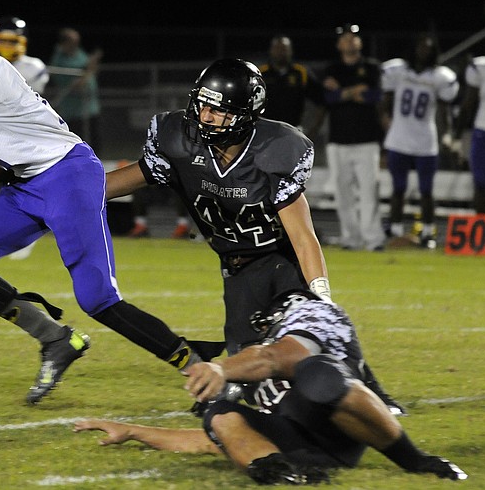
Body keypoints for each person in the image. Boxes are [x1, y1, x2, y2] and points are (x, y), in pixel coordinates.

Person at [0, 0, 204, 405]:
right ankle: (55, 338)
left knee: (97, 299)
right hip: (26, 183)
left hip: (65, 175)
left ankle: (196, 364)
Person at [105, 58, 403, 412]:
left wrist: (321, 296)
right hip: (238, 271)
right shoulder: (180, 141)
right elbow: (119, 182)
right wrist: (66, 193)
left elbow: (303, 235)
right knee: (252, 379)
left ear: (245, 114)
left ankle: (371, 395)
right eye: (202, 105)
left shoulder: (275, 148)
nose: (205, 116)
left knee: (311, 343)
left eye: (217, 110)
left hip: (281, 263)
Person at [73, 288, 467, 485]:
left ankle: (415, 460)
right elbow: (216, 440)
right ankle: (281, 473)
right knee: (219, 414)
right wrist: (134, 431)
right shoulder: (255, 362)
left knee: (315, 375)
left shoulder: (315, 314)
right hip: (300, 441)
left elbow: (276, 357)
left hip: (344, 426)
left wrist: (221, 367)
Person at [312, 24, 386, 251]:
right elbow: (328, 98)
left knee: (369, 191)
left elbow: (374, 96)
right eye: (345, 38)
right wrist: (355, 91)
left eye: (353, 37)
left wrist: (342, 91)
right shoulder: (332, 68)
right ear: (338, 44)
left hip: (367, 139)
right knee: (343, 193)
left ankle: (373, 239)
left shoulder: (371, 67)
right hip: (339, 140)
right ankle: (350, 238)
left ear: (360, 42)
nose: (350, 41)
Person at [380, 34, 459, 248]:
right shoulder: (398, 71)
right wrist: (385, 126)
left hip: (425, 140)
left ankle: (427, 231)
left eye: (428, 48)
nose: (424, 52)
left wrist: (447, 135)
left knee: (426, 190)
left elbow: (443, 111)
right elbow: (385, 104)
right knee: (398, 188)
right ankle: (395, 230)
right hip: (399, 138)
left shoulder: (439, 76)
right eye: (421, 47)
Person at [0, 16, 50, 259]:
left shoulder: (32, 67)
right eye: (2, 40)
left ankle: (27, 231)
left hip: (19, 132)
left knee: (24, 183)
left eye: (11, 41)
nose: (6, 46)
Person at [258, 35, 326, 138]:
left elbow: (321, 101)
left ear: (291, 51)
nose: (280, 52)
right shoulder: (261, 74)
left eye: (284, 49)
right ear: (271, 50)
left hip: (293, 130)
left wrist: (313, 130)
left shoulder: (300, 73)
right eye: (277, 48)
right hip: (265, 131)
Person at [48, 27, 103, 152]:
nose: (76, 44)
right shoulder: (59, 60)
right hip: (74, 111)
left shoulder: (79, 53)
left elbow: (90, 71)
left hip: (90, 107)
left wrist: (92, 66)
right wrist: (89, 68)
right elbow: (75, 85)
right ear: (65, 42)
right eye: (73, 42)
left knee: (96, 143)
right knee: (78, 146)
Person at [456, 52, 485, 215]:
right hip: (484, 131)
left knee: (480, 185)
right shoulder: (482, 67)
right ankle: (482, 226)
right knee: (480, 184)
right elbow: (468, 104)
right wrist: (457, 136)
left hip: (483, 132)